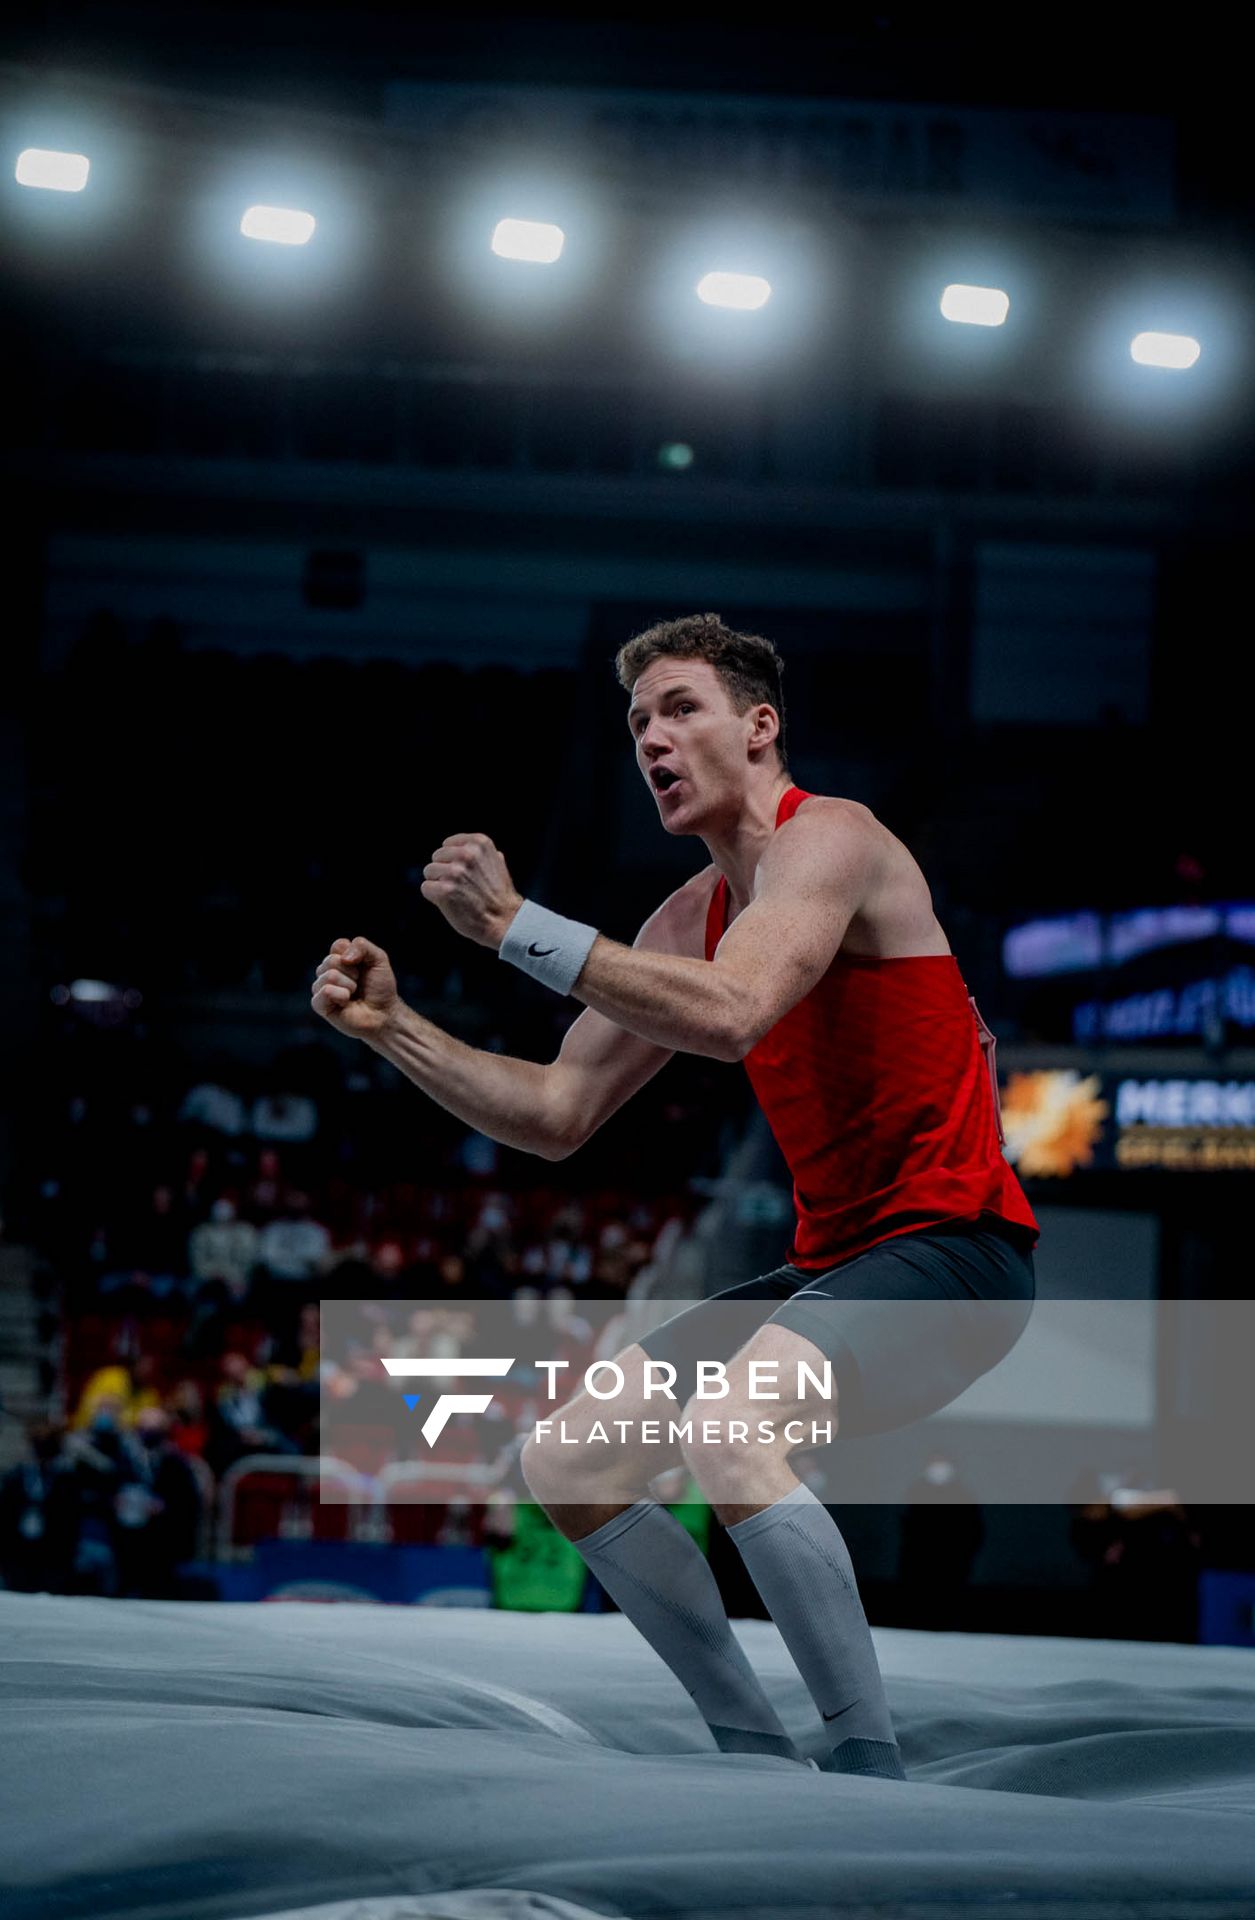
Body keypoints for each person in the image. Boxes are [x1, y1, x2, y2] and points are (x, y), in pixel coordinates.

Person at [311, 610, 1039, 1780]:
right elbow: (554, 1115)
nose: (650, 737)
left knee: (727, 1431)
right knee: (571, 1461)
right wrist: (395, 1030)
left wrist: (512, 927)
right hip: (833, 1264)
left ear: (760, 729)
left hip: (956, 1254)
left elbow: (734, 1010)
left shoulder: (833, 842)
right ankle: (748, 1748)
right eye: (637, 720)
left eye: (679, 708)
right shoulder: (676, 921)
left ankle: (868, 1768)